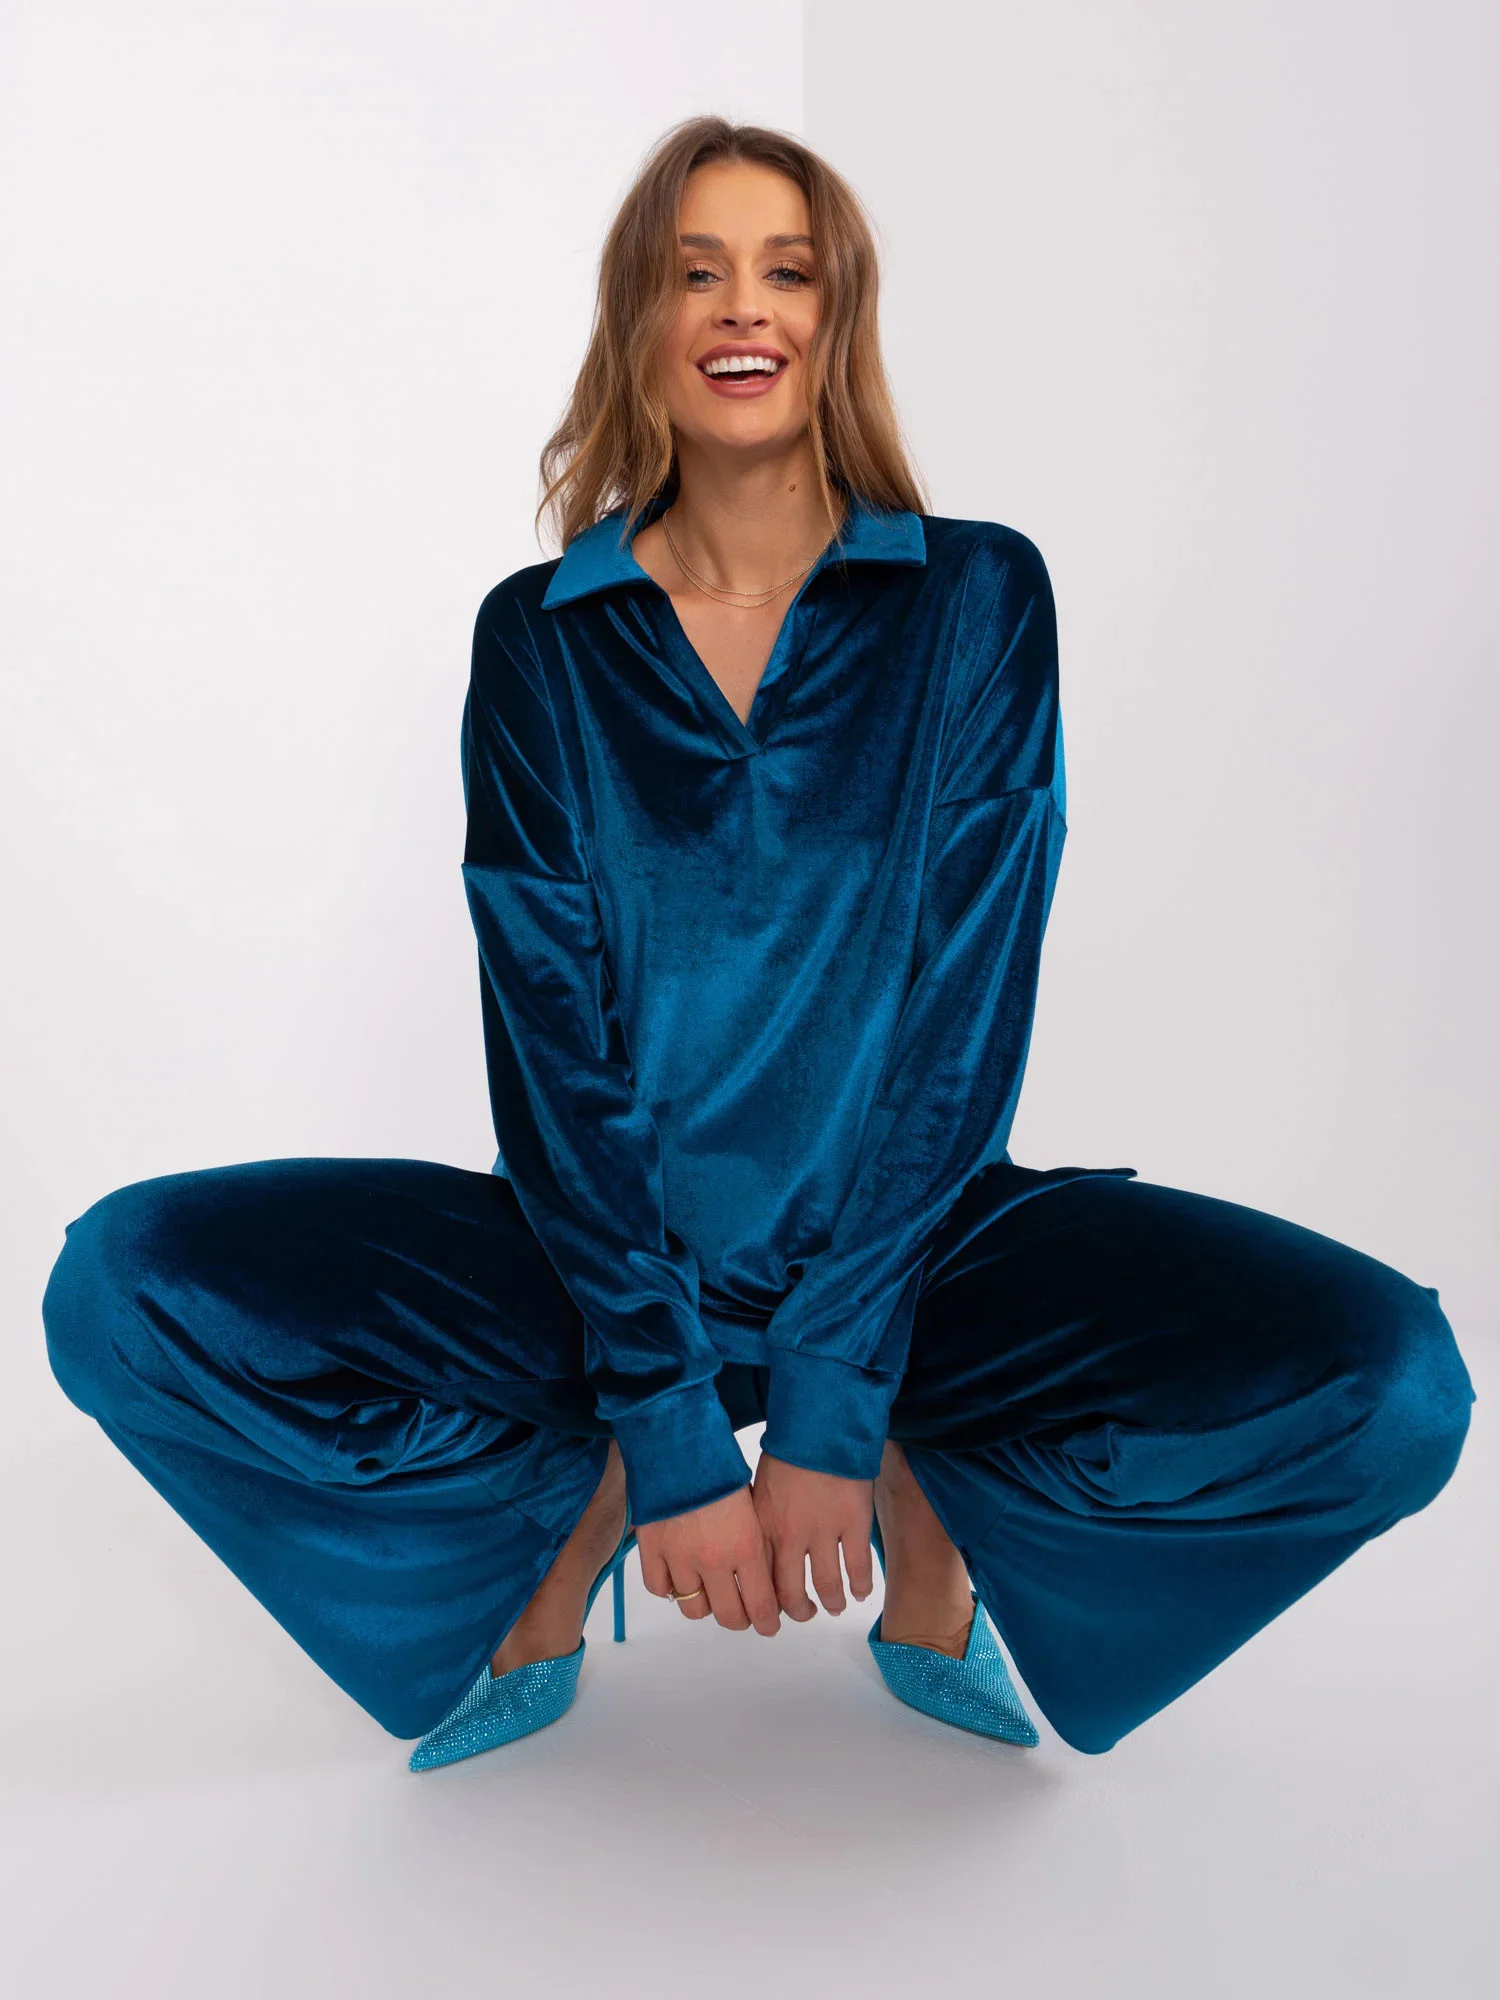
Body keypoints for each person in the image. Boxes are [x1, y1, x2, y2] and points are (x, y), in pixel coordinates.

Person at [41, 115, 1475, 1769]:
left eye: (786, 271)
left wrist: (842, 1394)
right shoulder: (539, 639)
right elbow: (548, 1044)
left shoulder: (977, 598)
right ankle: (571, 1496)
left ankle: (940, 1483)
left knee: (1394, 1385)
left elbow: (963, 1016)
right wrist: (661, 1422)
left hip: (922, 1252)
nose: (743, 306)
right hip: (595, 1259)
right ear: (640, 319)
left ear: (834, 315)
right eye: (696, 270)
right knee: (121, 1285)